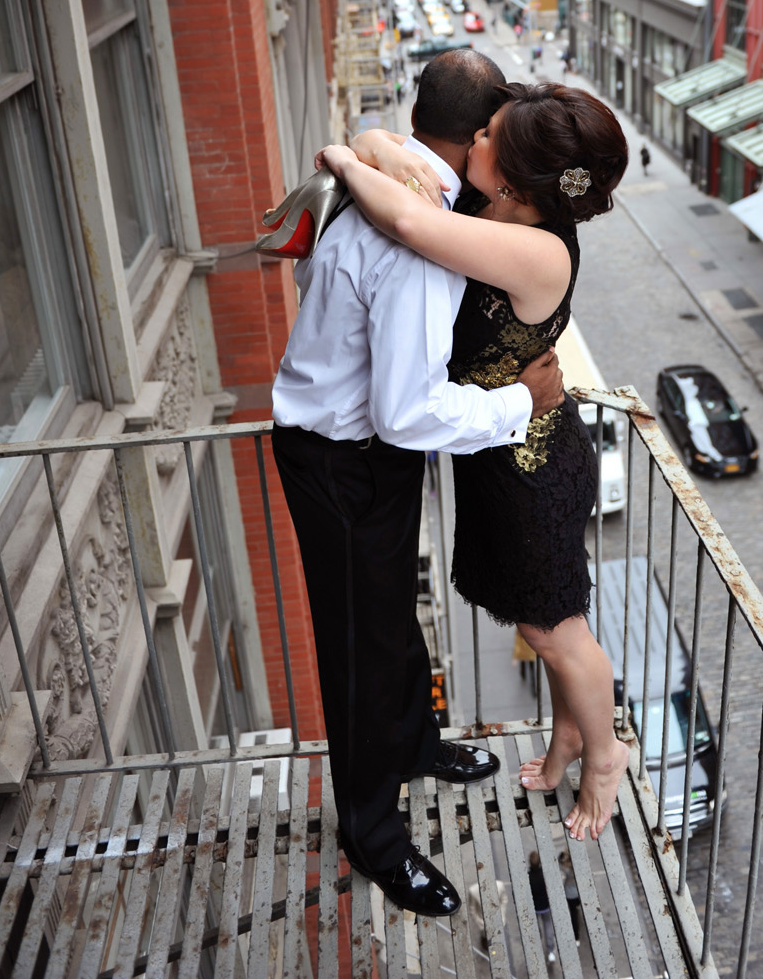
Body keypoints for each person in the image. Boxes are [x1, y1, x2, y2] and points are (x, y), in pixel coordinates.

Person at [270, 50, 565, 919]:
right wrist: (520, 401)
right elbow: (407, 412)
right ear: (476, 138)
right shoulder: (417, 241)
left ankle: (415, 742)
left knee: (391, 611)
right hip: (344, 458)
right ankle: (374, 835)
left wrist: (357, 145)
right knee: (358, 646)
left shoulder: (398, 187)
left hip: (361, 452)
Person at [320, 81, 630, 842]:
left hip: (531, 470)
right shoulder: (499, 211)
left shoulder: (535, 250)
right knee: (549, 620)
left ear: (518, 180)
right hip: (501, 457)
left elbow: (399, 215)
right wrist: (371, 143)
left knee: (557, 631)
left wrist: (336, 154)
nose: (472, 144)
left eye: (486, 135)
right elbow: (394, 151)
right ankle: (565, 736)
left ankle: (604, 757)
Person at [528, 850, 556, 962]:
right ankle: (550, 951)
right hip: (545, 905)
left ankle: (537, 946)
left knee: (536, 927)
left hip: (535, 907)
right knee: (548, 926)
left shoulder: (528, 876)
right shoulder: (544, 874)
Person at [560, 849, 581, 944]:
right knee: (576, 911)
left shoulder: (565, 869)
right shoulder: (577, 866)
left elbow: (563, 881)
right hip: (578, 893)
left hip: (569, 894)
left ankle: (576, 937)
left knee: (573, 915)